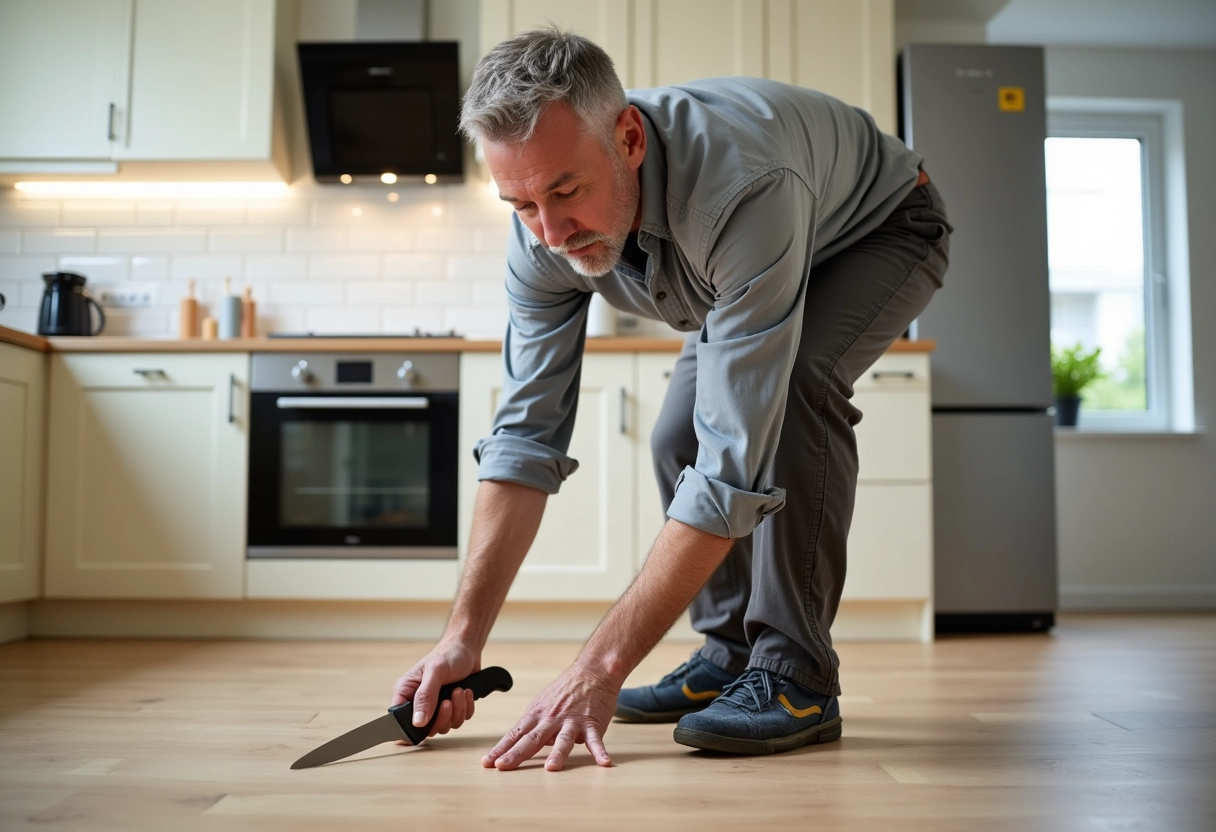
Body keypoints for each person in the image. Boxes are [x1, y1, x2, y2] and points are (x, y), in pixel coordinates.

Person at [389, 27, 951, 771]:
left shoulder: (739, 188)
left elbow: (732, 469)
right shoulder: (541, 238)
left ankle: (796, 677)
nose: (551, 232)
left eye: (565, 191)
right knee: (673, 438)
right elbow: (525, 439)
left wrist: (598, 669)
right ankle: (726, 657)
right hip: (752, 258)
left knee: (793, 393)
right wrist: (462, 637)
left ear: (628, 139)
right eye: (521, 203)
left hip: (879, 228)